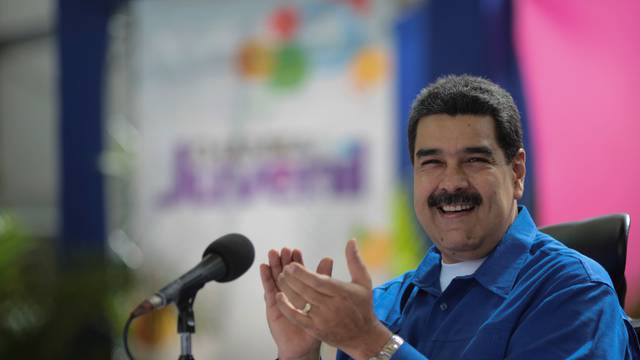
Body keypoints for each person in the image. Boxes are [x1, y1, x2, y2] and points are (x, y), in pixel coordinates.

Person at [259, 75, 640, 359]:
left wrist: (373, 345)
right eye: (432, 162)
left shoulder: (574, 291)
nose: (452, 182)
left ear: (517, 172)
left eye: (474, 160)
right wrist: (300, 355)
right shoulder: (384, 305)